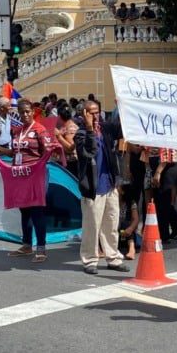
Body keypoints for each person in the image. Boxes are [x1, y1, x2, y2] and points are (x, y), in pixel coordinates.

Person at [75, 99, 129, 274]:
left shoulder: (105, 128)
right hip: (93, 187)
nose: (95, 115)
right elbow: (88, 152)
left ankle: (113, 257)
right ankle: (90, 260)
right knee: (92, 226)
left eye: (97, 111)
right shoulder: (81, 134)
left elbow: (122, 129)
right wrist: (90, 128)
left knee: (111, 223)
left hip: (109, 183)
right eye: (91, 112)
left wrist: (123, 106)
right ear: (84, 114)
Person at [1, 99, 51, 262]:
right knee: (24, 211)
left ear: (33, 111)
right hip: (20, 174)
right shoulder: (16, 130)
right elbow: (13, 152)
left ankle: (41, 248)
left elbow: (47, 152)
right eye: (22, 112)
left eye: (28, 111)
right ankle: (27, 244)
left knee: (37, 211)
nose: (25, 114)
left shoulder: (40, 129)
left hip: (35, 175)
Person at [150, 147, 177, 242]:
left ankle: (164, 235)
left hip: (167, 165)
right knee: (160, 199)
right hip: (160, 162)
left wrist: (158, 172)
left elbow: (166, 149)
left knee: (163, 198)